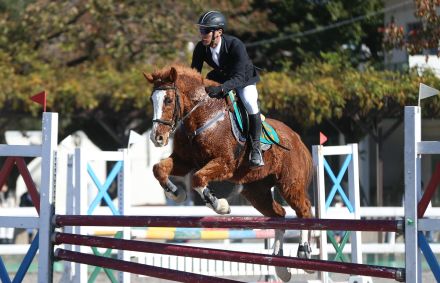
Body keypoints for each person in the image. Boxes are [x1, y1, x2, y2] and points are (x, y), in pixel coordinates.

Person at [191, 10, 264, 168]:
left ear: (219, 32)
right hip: (221, 76)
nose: (202, 34)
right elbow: (194, 73)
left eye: (206, 31)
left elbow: (238, 78)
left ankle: (256, 149)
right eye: (201, 30)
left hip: (244, 79)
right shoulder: (200, 48)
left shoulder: (235, 45)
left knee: (250, 102)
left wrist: (221, 89)